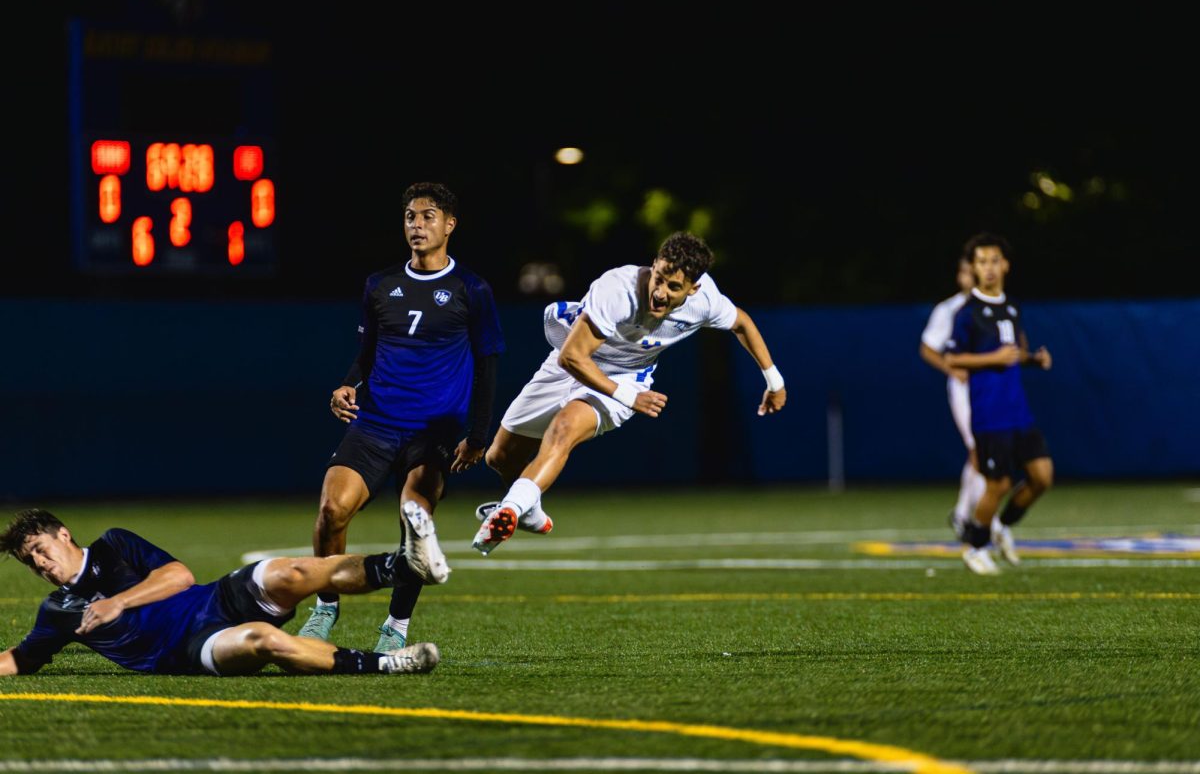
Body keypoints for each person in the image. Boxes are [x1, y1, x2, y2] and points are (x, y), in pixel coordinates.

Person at [471, 231, 787, 555]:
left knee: (563, 430)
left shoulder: (705, 303)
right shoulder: (618, 289)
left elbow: (742, 323)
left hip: (626, 375)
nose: (660, 292)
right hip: (575, 359)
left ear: (694, 289)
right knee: (499, 457)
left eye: (673, 287)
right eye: (659, 278)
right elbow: (571, 357)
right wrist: (627, 397)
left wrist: (774, 381)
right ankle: (530, 511)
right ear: (654, 265)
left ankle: (508, 511)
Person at [302, 182, 505, 651]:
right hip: (375, 423)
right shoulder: (380, 284)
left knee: (415, 519)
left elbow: (489, 362)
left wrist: (478, 434)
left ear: (450, 225)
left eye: (428, 216)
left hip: (433, 431)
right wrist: (347, 383)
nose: (417, 225)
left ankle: (396, 626)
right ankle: (325, 608)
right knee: (332, 509)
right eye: (411, 217)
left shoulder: (471, 289)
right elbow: (366, 352)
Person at [0, 509, 439, 676]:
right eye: (29, 560)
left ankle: (403, 565)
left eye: (39, 549)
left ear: (63, 534)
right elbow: (19, 660)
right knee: (264, 640)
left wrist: (117, 602)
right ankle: (388, 664)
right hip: (191, 649)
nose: (39, 563)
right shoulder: (58, 610)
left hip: (212, 599)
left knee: (291, 571)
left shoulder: (114, 544)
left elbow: (179, 576)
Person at [943, 232, 1054, 575]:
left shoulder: (1011, 306)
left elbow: (1012, 352)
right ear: (973, 268)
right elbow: (952, 359)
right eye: (981, 262)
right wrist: (990, 358)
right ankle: (974, 547)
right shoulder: (968, 313)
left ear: (1004, 265)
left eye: (993, 261)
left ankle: (1002, 526)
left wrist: (1032, 359)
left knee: (1042, 477)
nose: (988, 268)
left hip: (1018, 410)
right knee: (999, 484)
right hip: (990, 414)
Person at [919, 255, 987, 541]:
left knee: (988, 450)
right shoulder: (949, 309)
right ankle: (976, 518)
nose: (968, 276)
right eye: (964, 271)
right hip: (964, 389)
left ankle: (966, 515)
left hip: (990, 387)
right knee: (980, 449)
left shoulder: (993, 306)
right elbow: (928, 348)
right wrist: (952, 368)